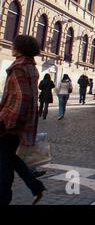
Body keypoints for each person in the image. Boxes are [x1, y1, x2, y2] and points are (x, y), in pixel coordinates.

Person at [0, 35, 46, 205]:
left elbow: (23, 98)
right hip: (18, 121)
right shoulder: (30, 66)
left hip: (10, 121)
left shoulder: (19, 67)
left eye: (13, 45)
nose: (11, 47)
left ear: (19, 48)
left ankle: (4, 198)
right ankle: (35, 186)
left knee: (5, 162)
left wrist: (7, 122)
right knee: (8, 157)